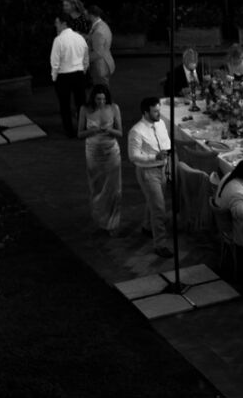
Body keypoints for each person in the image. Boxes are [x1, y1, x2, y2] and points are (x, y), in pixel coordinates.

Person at [127, 96, 173, 257]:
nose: (158, 114)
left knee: (154, 202)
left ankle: (147, 226)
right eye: (155, 111)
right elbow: (133, 156)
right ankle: (160, 244)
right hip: (148, 172)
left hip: (161, 169)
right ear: (146, 112)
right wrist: (154, 158)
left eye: (159, 110)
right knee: (159, 208)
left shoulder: (160, 124)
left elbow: (165, 141)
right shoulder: (136, 131)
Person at [77, 84, 122, 232]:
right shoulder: (85, 110)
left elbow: (120, 133)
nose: (101, 102)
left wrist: (109, 130)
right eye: (98, 99)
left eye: (103, 99)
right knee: (96, 186)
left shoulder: (114, 108)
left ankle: (113, 223)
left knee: (114, 187)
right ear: (93, 98)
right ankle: (100, 217)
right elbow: (79, 134)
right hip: (93, 151)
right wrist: (93, 130)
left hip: (111, 150)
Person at [50, 15, 89, 137]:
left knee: (65, 105)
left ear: (64, 23)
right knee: (81, 104)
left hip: (64, 76)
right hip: (79, 74)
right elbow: (86, 57)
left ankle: (69, 131)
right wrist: (83, 71)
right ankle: (82, 129)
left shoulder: (58, 40)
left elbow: (55, 62)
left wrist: (54, 77)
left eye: (57, 22)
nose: (55, 25)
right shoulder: (80, 38)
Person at [83, 3, 115, 95]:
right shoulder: (101, 25)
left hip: (99, 67)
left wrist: (83, 60)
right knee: (103, 92)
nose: (85, 16)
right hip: (103, 63)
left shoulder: (98, 31)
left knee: (101, 93)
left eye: (86, 14)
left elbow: (98, 53)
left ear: (91, 15)